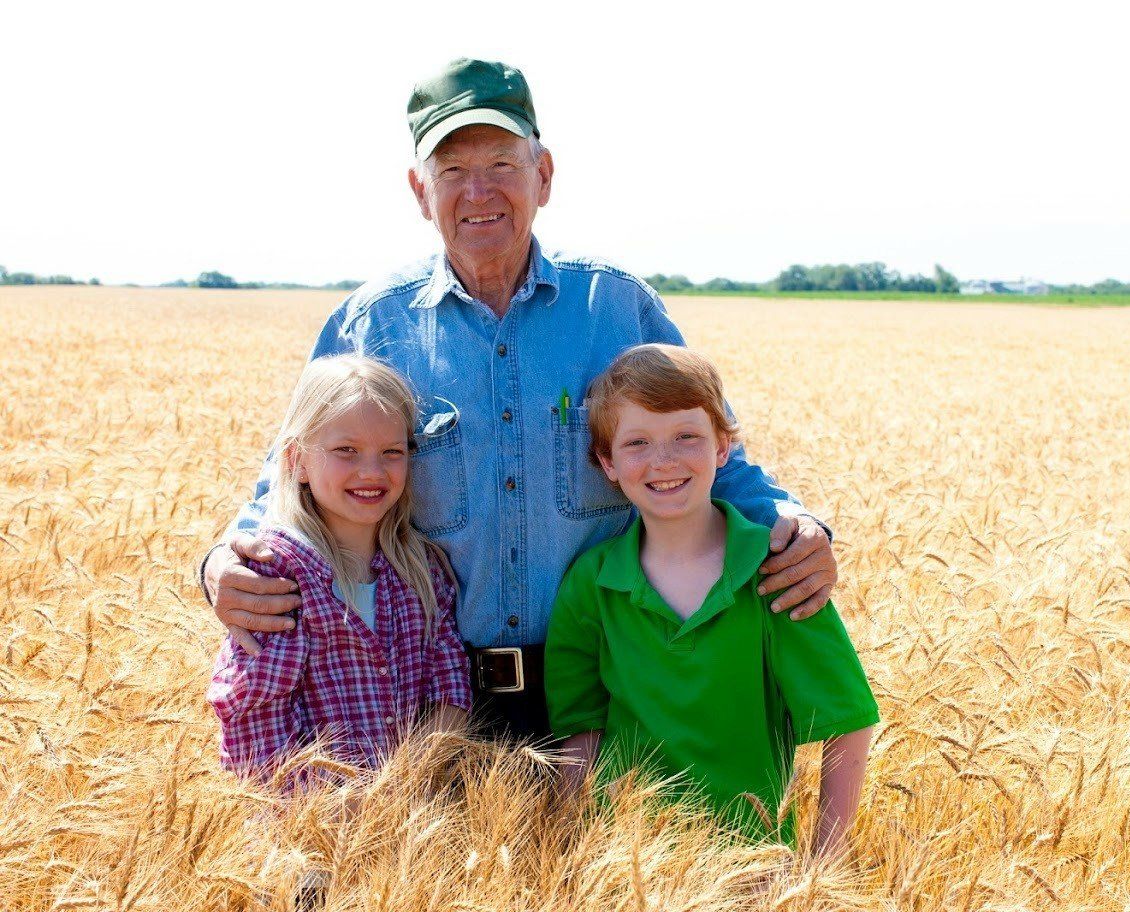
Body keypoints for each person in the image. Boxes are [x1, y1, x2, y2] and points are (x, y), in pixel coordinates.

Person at [200, 57, 841, 740]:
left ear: (544, 175)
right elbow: (288, 479)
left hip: (608, 688)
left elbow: (704, 449)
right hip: (432, 699)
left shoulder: (616, 309)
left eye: (502, 164)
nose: (479, 191)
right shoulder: (371, 324)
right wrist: (223, 564)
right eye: (451, 172)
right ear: (420, 191)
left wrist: (794, 523)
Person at [544, 345, 878, 856]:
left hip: (752, 871)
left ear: (723, 449)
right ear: (606, 462)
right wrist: (570, 861)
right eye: (637, 443)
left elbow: (848, 722)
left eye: (687, 437)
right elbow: (580, 736)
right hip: (623, 867)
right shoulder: (591, 585)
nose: (665, 461)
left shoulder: (777, 570)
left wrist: (820, 870)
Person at [207, 355, 471, 787]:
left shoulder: (422, 571)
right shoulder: (278, 576)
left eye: (392, 452)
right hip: (301, 836)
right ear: (297, 460)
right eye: (346, 451)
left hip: (409, 820)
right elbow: (255, 723)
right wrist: (338, 812)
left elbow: (450, 687)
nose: (372, 471)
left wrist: (402, 787)